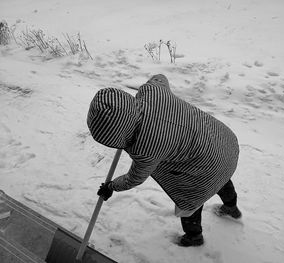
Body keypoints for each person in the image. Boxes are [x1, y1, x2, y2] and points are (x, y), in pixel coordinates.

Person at [87, 74, 241, 247]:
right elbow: (160, 77)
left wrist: (111, 186)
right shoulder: (151, 91)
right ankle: (231, 207)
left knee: (189, 201)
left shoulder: (145, 150)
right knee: (221, 175)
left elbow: (134, 179)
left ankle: (194, 236)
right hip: (223, 141)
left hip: (209, 165)